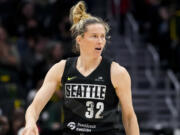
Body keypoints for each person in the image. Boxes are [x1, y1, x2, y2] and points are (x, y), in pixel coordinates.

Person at [22, 1, 140, 135]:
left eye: (103, 36)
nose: (100, 41)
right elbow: (34, 107)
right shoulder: (61, 68)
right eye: (94, 36)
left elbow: (129, 117)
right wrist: (31, 122)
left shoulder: (117, 72)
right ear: (80, 40)